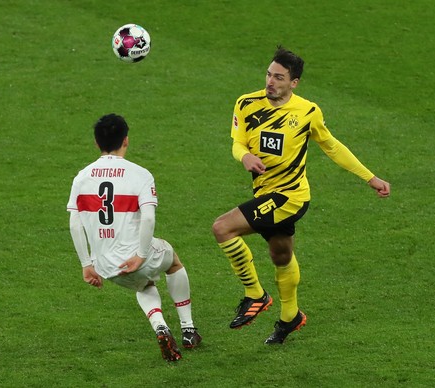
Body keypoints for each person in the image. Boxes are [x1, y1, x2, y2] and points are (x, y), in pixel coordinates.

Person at [212, 46, 390, 345]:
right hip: (265, 191)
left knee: (222, 227)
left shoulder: (307, 112)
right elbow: (238, 143)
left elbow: (332, 146)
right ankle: (290, 317)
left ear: (294, 82)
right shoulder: (246, 103)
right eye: (269, 74)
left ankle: (255, 294)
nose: (270, 81)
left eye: (279, 77)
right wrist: (243, 157)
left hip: (290, 196)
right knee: (281, 255)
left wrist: (370, 177)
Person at [67, 113, 202, 361]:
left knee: (143, 284)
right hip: (138, 256)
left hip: (106, 266)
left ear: (97, 143)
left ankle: (160, 325)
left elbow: (74, 223)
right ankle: (188, 329)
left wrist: (87, 265)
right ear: (126, 140)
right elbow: (149, 219)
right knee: (173, 262)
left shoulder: (81, 177)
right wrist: (140, 256)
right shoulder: (140, 174)